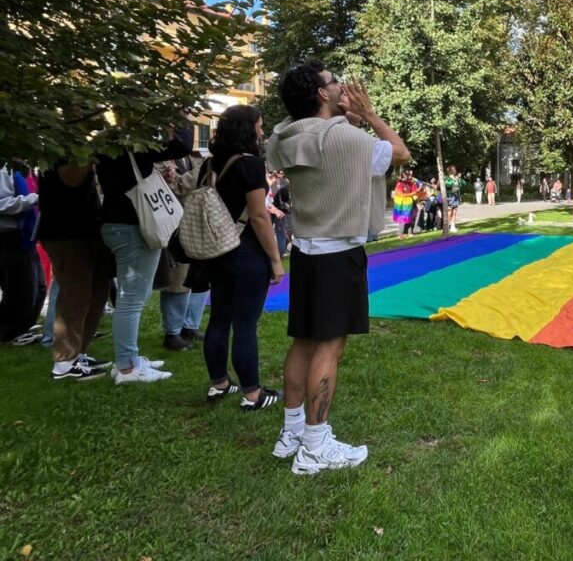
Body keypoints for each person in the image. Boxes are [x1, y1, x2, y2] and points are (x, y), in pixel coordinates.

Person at [266, 59, 409, 474]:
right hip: (338, 254)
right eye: (333, 82)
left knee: (303, 341)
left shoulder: (287, 135)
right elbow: (400, 152)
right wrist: (367, 115)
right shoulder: (345, 138)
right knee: (329, 346)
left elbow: (299, 132)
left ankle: (292, 431)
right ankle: (314, 446)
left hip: (307, 252)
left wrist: (343, 116)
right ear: (320, 94)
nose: (342, 85)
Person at [199, 105, 284, 410]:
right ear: (248, 130)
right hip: (246, 251)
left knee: (219, 319)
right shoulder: (250, 164)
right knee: (245, 324)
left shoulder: (209, 165)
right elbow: (259, 217)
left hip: (216, 250)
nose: (261, 132)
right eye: (259, 126)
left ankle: (219, 383)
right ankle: (253, 393)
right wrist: (275, 260)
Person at [96, 126, 192, 383]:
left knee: (132, 296)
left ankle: (129, 358)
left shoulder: (105, 143)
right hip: (134, 225)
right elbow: (182, 144)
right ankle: (127, 366)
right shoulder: (135, 144)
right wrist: (179, 115)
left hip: (116, 222)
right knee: (132, 298)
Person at [37, 161, 113, 380]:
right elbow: (71, 178)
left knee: (97, 292)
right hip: (66, 234)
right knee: (75, 296)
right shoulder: (62, 151)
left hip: (86, 231)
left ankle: (78, 353)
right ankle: (64, 361)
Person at [158, 152, 207, 351]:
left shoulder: (195, 157)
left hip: (199, 222)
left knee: (201, 278)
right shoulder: (160, 158)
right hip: (174, 225)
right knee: (178, 280)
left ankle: (190, 325)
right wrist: (196, 175)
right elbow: (174, 185)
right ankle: (173, 332)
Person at [0, 163, 43, 345]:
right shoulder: (4, 170)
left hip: (24, 234)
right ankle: (10, 331)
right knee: (21, 288)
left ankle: (21, 326)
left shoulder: (18, 169)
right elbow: (2, 204)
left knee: (38, 286)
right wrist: (34, 199)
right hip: (9, 235)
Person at [392, 169, 419, 240]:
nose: (408, 175)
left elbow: (415, 191)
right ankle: (400, 234)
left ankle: (410, 232)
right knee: (402, 218)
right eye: (407, 174)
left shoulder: (411, 183)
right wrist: (411, 194)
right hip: (402, 204)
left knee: (411, 217)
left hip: (411, 203)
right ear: (403, 174)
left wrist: (417, 191)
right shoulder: (399, 183)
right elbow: (400, 194)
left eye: (409, 174)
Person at [445, 166, 465, 232]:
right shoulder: (447, 178)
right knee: (449, 212)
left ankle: (453, 225)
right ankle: (447, 226)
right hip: (450, 196)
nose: (455, 171)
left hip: (456, 196)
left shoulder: (457, 178)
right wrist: (454, 180)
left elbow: (464, 183)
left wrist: (459, 179)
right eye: (454, 170)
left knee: (455, 212)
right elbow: (447, 185)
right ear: (451, 171)